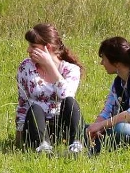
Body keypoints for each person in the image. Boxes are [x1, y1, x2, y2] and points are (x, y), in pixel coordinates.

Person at [14, 23, 85, 155]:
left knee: (71, 103)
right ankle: (43, 146)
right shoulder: (26, 67)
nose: (28, 50)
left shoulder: (71, 70)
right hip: (36, 125)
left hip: (60, 124)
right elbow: (23, 102)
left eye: (33, 46)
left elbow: (66, 94)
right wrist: (19, 135)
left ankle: (76, 145)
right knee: (34, 108)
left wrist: (49, 65)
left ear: (48, 48)